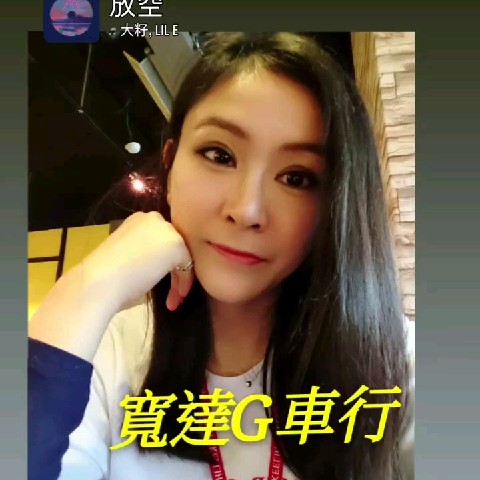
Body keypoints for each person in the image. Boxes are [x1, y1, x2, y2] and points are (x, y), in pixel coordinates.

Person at [28, 32, 415, 480]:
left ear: (336, 204)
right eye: (219, 155)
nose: (246, 210)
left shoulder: (397, 361)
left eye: (296, 178)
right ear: (170, 164)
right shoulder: (106, 352)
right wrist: (87, 289)